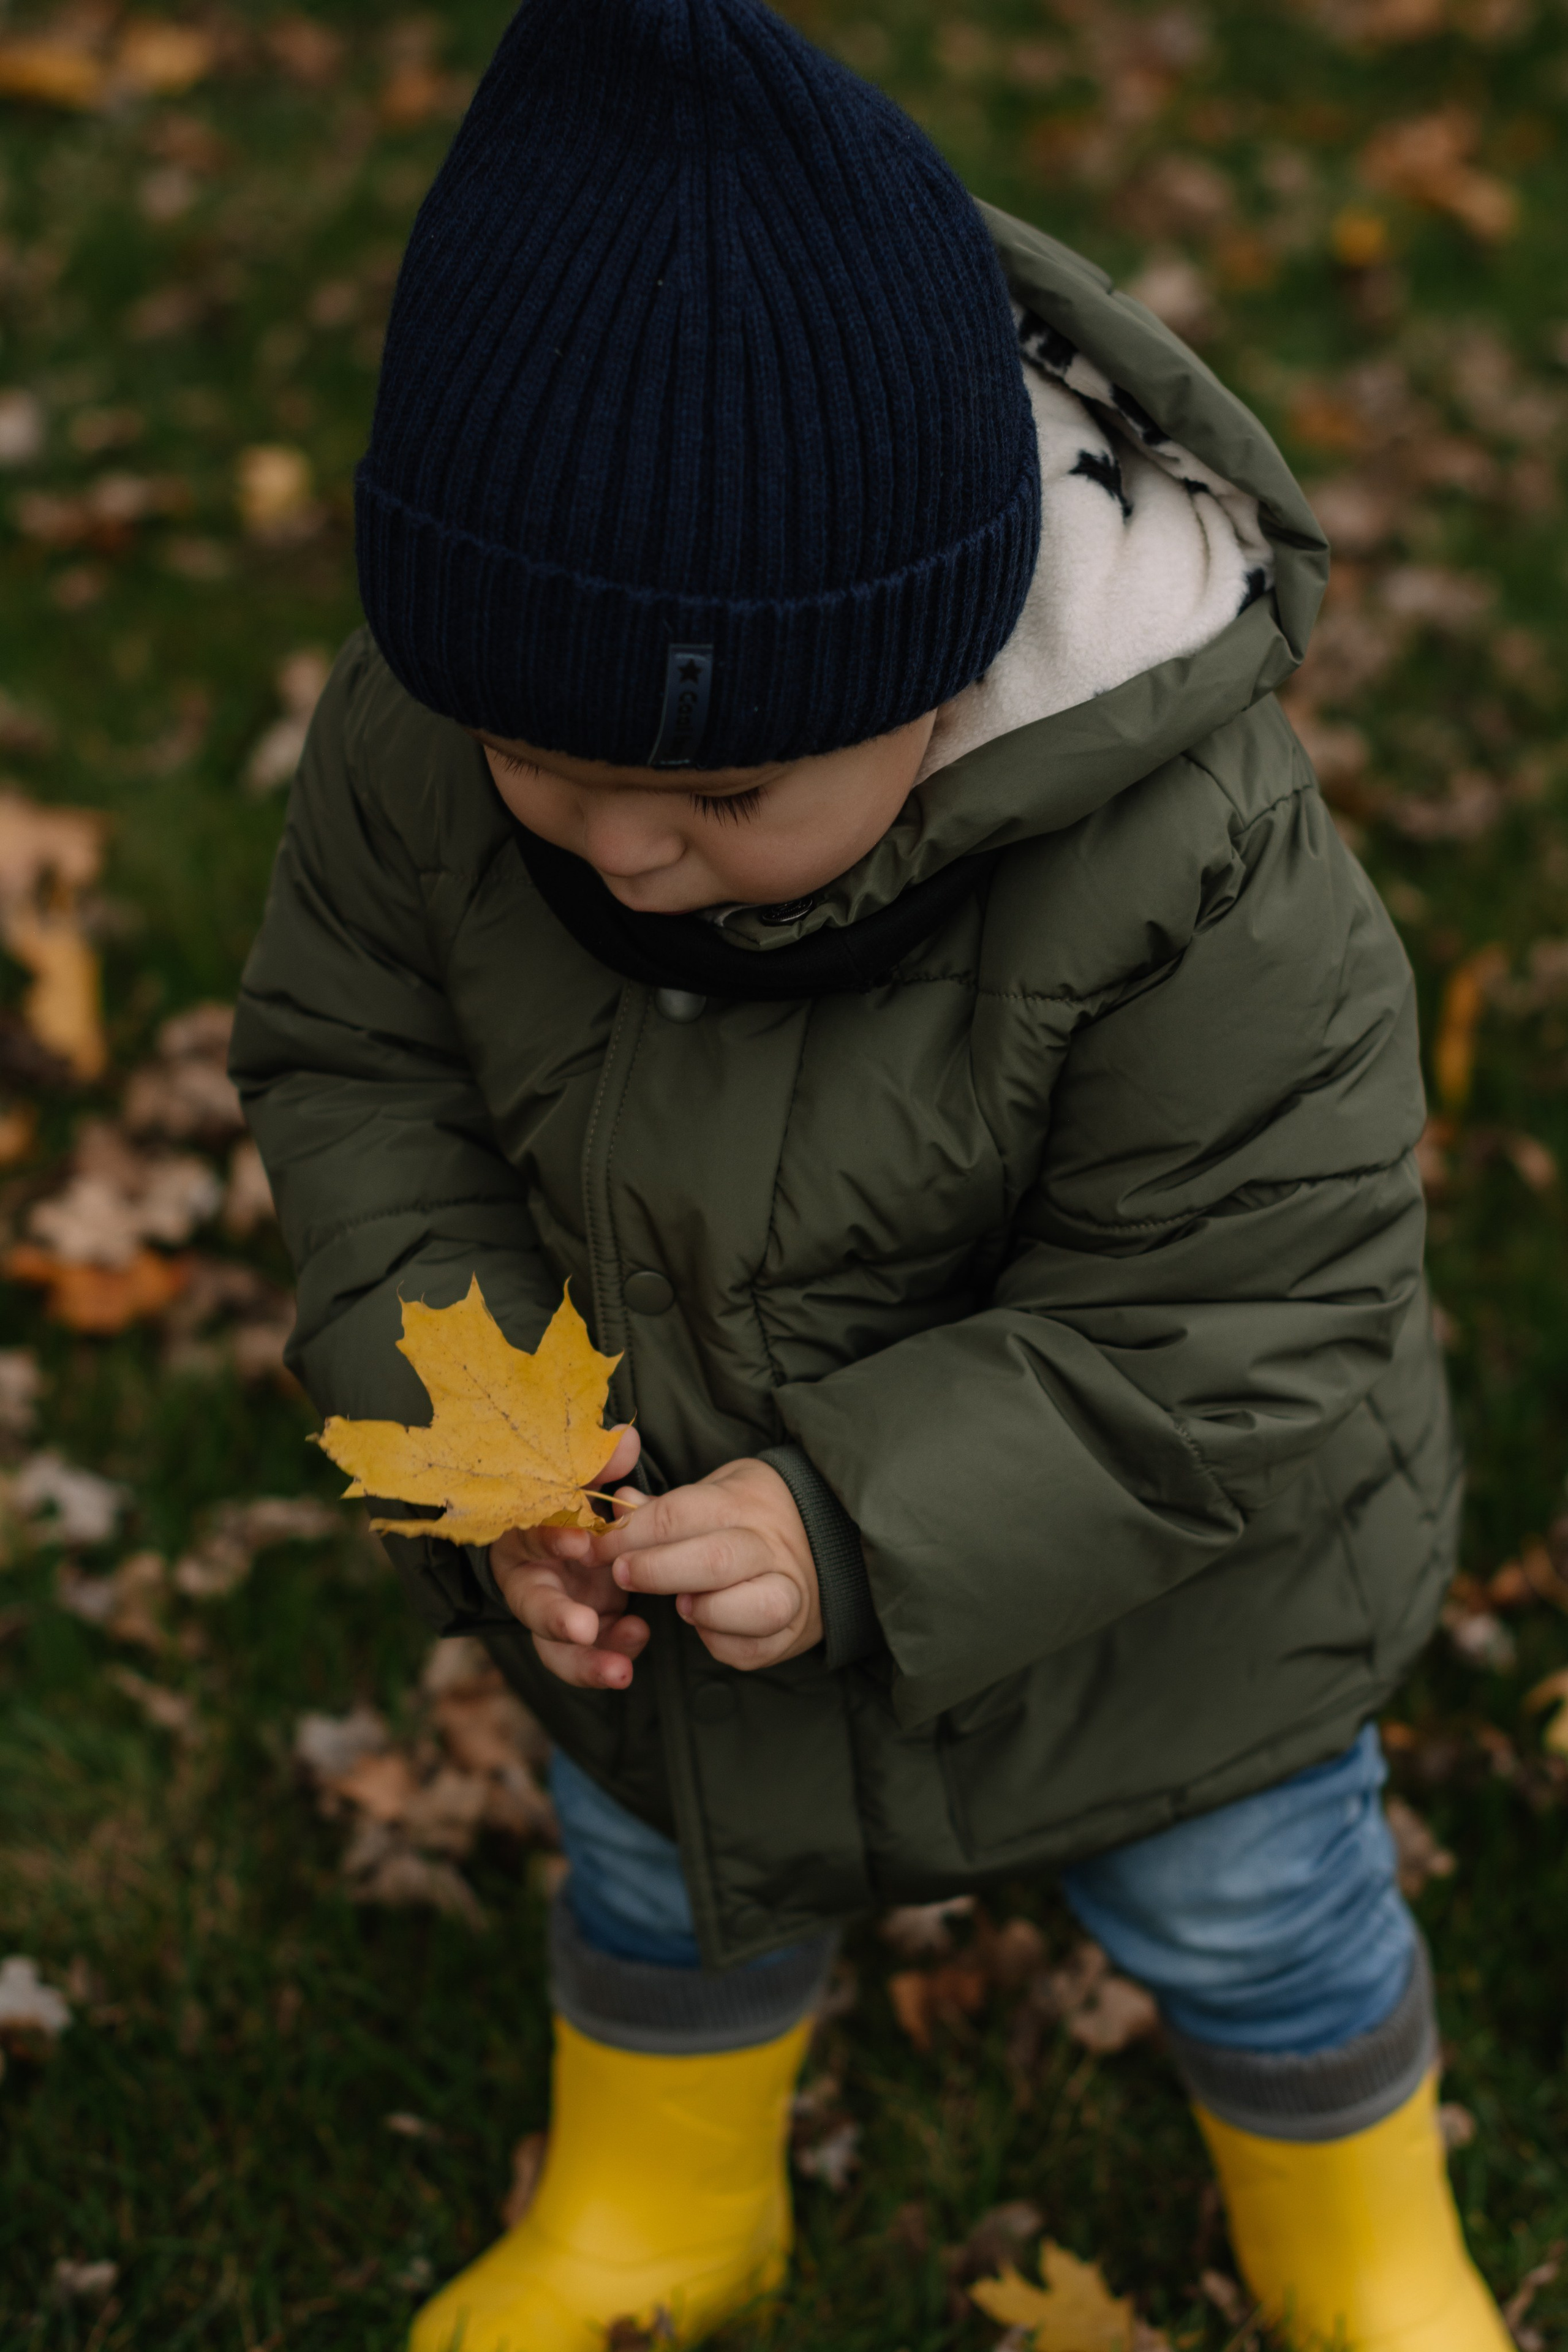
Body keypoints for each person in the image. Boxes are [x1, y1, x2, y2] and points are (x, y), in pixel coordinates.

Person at [229, 3, 1508, 2347]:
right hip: (671, 1583)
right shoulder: (429, 744)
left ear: (934, 675)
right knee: (655, 1863)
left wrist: (860, 1521)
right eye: (544, 754)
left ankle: (1362, 2242)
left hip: (1165, 1619)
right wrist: (479, 1408)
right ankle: (666, 2197)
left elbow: (1236, 1314)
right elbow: (354, 1067)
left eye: (723, 803)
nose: (625, 839)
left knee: (1256, 1905)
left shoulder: (1196, 862)